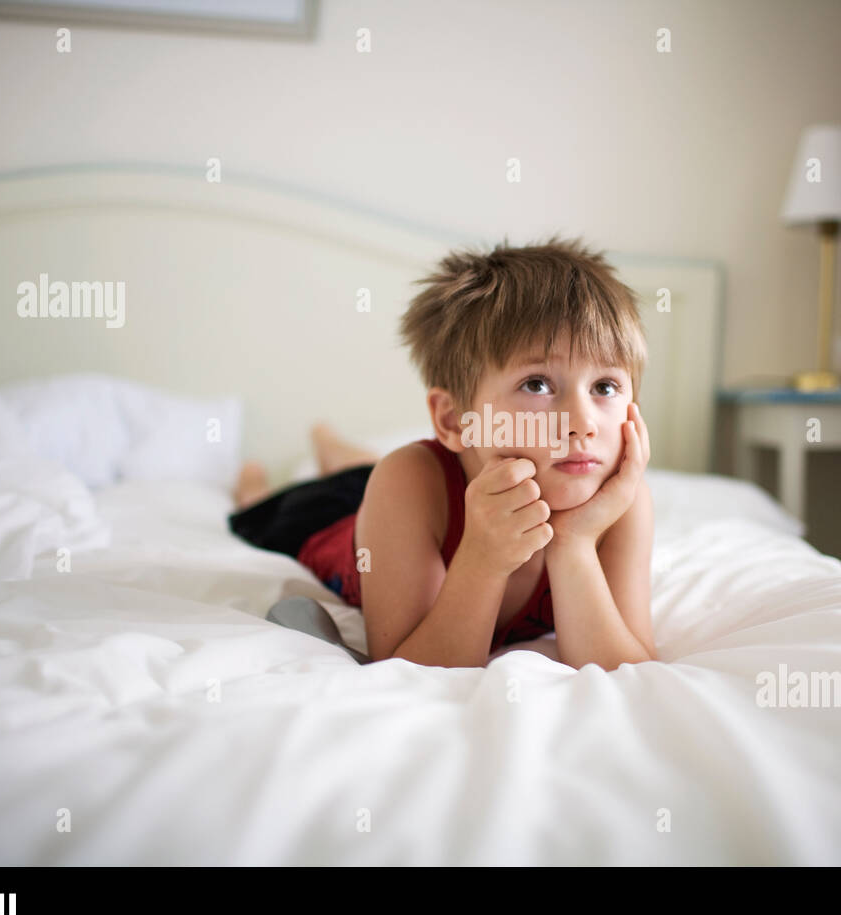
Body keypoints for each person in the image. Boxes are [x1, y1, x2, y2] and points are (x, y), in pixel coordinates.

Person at [228, 236, 654, 670]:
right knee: (283, 503)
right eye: (537, 384)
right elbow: (409, 669)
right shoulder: (407, 483)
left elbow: (630, 671)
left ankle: (334, 446)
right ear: (454, 421)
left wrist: (573, 544)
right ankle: (273, 471)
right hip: (334, 519)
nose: (583, 423)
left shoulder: (621, 500)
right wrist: (483, 559)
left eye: (605, 386)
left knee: (362, 468)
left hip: (409, 486)